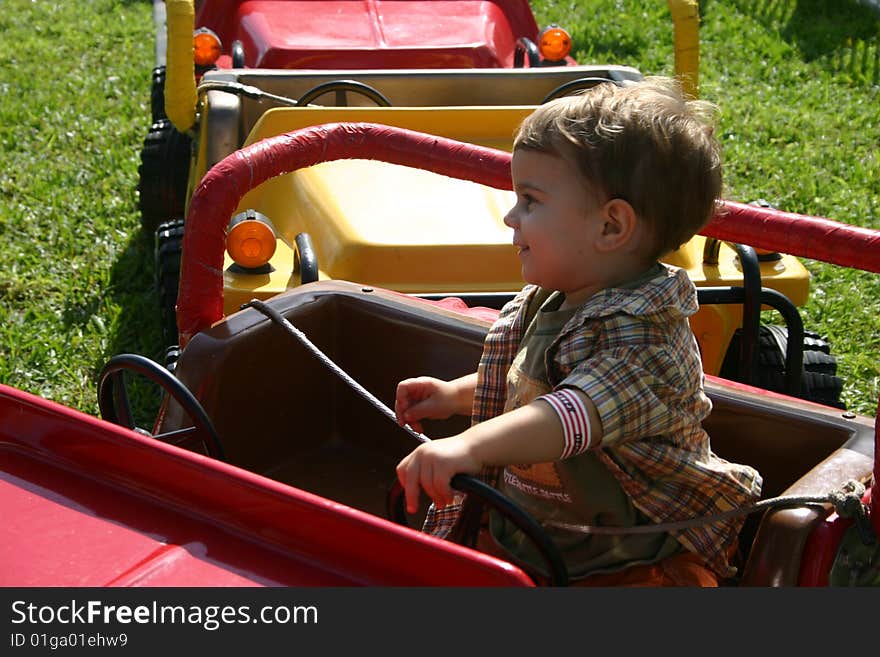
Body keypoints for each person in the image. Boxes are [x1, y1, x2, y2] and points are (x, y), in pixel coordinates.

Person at [394, 76, 763, 587]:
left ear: (611, 226)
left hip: (624, 562)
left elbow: (570, 414)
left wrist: (471, 445)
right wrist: (454, 396)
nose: (510, 216)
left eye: (530, 200)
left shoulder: (646, 339)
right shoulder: (556, 299)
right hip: (536, 535)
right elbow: (535, 384)